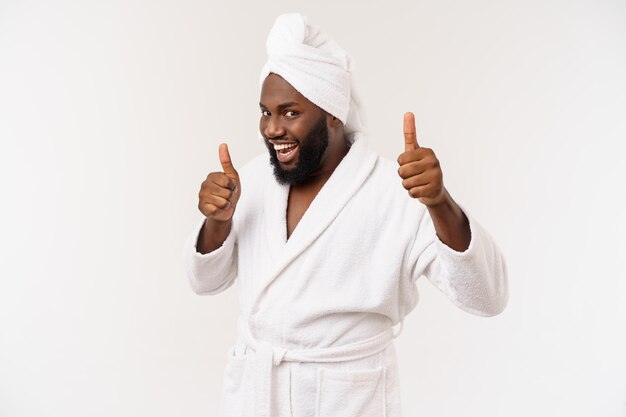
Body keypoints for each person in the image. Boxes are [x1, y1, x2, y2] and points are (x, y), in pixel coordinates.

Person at [183, 12, 508, 417]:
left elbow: (488, 296)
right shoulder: (250, 181)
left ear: (332, 112)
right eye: (266, 112)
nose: (271, 129)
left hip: (345, 400)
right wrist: (218, 221)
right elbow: (204, 282)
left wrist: (440, 202)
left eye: (290, 112)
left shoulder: (396, 190)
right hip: (254, 396)